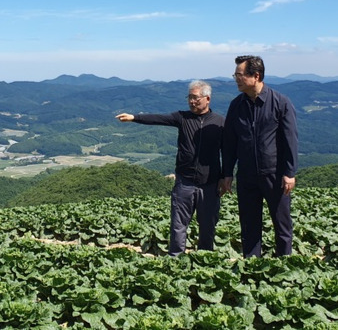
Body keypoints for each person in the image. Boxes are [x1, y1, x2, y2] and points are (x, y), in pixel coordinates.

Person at [116, 80, 225, 256]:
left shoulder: (220, 122)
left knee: (208, 225)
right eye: (189, 97)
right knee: (178, 225)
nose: (191, 101)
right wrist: (134, 117)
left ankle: (206, 259)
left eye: (195, 98)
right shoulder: (182, 117)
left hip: (210, 183)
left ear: (207, 99)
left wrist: (226, 176)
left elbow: (227, 152)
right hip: (184, 182)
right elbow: (159, 118)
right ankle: (175, 259)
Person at [222, 55, 298, 258]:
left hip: (275, 175)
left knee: (282, 225)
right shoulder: (236, 105)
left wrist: (289, 172)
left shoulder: (280, 103)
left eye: (239, 75)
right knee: (249, 226)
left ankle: (284, 266)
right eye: (235, 74)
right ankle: (252, 267)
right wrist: (227, 173)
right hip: (246, 175)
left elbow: (290, 140)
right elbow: (230, 142)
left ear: (255, 76)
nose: (236, 79)